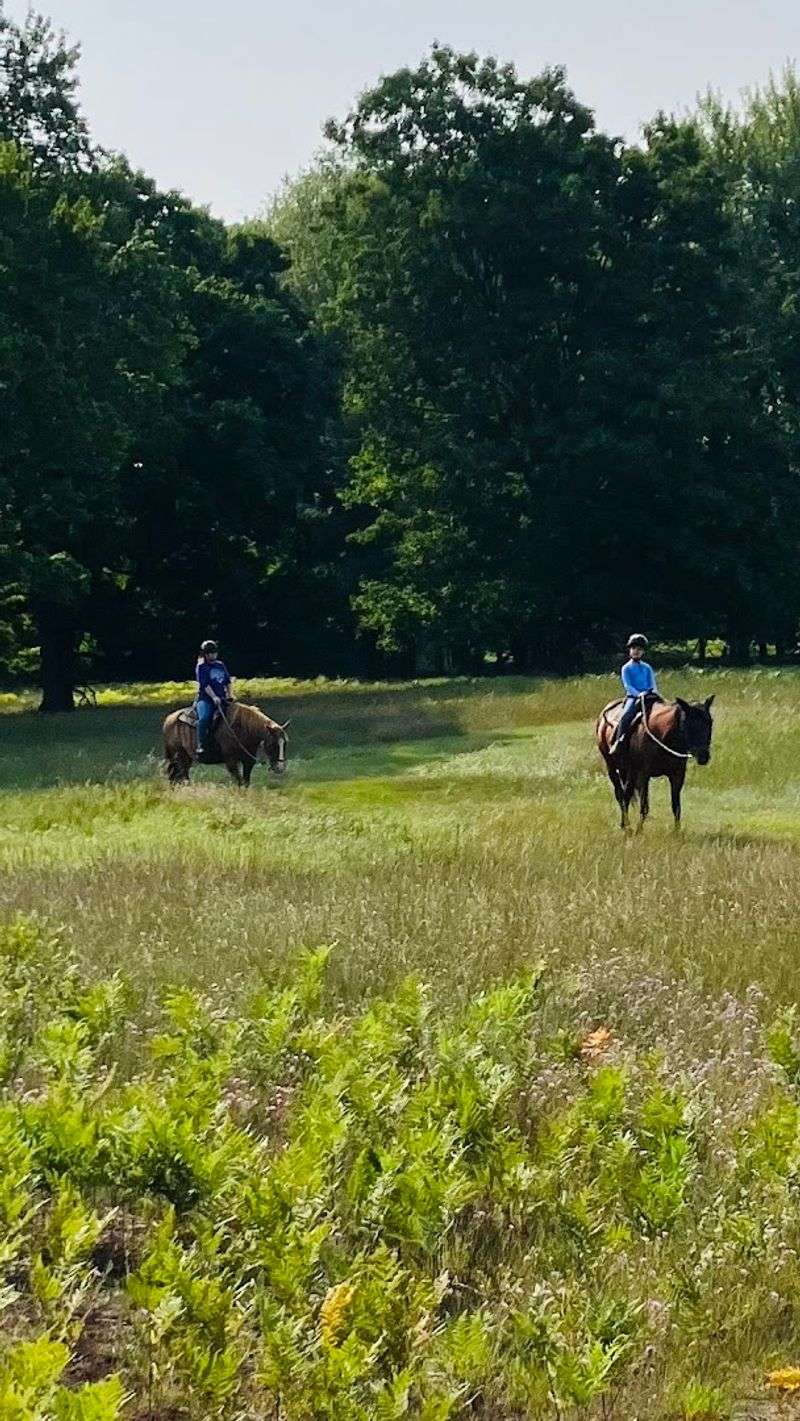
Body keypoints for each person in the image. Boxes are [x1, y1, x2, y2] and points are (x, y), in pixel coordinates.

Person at [610, 633, 659, 755]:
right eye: (634, 649)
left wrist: (652, 692)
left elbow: (652, 683)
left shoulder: (647, 667)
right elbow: (628, 685)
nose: (636, 651)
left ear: (643, 652)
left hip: (649, 695)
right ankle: (619, 741)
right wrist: (639, 694)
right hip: (634, 697)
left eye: (639, 649)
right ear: (629, 650)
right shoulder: (626, 668)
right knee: (626, 715)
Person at [195, 639, 233, 760]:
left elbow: (228, 681)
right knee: (204, 718)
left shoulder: (220, 665)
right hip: (205, 699)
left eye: (214, 652)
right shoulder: (201, 667)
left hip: (222, 698)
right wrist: (213, 697)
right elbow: (204, 684)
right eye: (210, 653)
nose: (212, 655)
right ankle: (201, 744)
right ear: (205, 654)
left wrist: (230, 695)